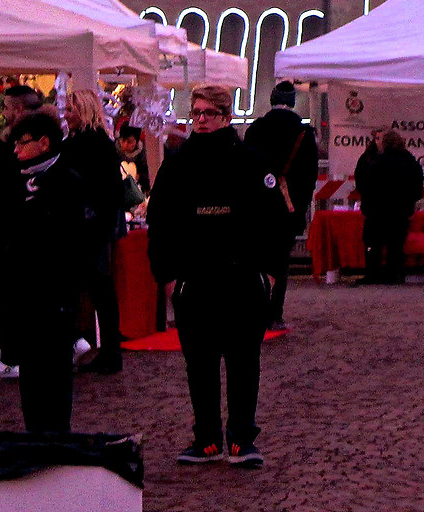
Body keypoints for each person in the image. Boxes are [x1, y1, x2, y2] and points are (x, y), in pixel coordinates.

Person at [148, 86, 293, 467]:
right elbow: (159, 224)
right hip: (193, 282)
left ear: (227, 117)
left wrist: (269, 276)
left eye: (209, 113)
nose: (201, 119)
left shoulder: (251, 163)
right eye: (196, 112)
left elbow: (277, 223)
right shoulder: (177, 165)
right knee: (200, 365)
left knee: (244, 363)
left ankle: (242, 439)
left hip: (242, 280)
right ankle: (207, 439)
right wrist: (167, 278)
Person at [0, 110, 94, 430]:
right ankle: (35, 433)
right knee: (30, 368)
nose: (16, 149)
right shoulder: (11, 179)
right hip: (20, 291)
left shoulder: (68, 181)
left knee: (55, 367)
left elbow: (74, 240)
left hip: (55, 292)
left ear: (44, 143)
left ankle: (56, 434)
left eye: (23, 142)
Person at [242, 81, 320, 329]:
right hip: (288, 206)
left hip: (257, 206)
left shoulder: (256, 129)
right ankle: (275, 314)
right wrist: (300, 206)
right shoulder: (304, 133)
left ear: (272, 100)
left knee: (256, 259)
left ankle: (255, 309)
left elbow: (245, 169)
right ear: (293, 102)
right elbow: (310, 175)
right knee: (280, 261)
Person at [62, 88, 126, 373]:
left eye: (70, 110)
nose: (66, 115)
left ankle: (101, 350)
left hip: (89, 227)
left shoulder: (90, 143)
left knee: (94, 290)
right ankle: (106, 350)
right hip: (91, 226)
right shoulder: (93, 142)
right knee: (98, 291)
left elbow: (105, 191)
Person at [353, 127, 424, 284]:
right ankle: (390, 274)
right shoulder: (408, 160)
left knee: (377, 243)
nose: (377, 142)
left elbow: (365, 183)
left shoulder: (377, 161)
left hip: (380, 210)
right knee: (392, 244)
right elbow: (417, 185)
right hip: (397, 210)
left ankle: (376, 274)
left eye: (380, 139)